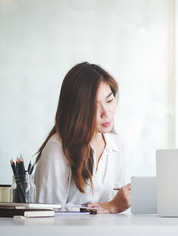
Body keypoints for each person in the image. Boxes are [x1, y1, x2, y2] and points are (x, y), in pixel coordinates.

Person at [34, 62, 131, 213]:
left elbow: (112, 207)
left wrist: (116, 204)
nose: (106, 113)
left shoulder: (119, 146)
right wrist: (111, 207)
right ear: (77, 111)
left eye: (110, 101)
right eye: (94, 107)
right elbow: (47, 216)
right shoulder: (57, 150)